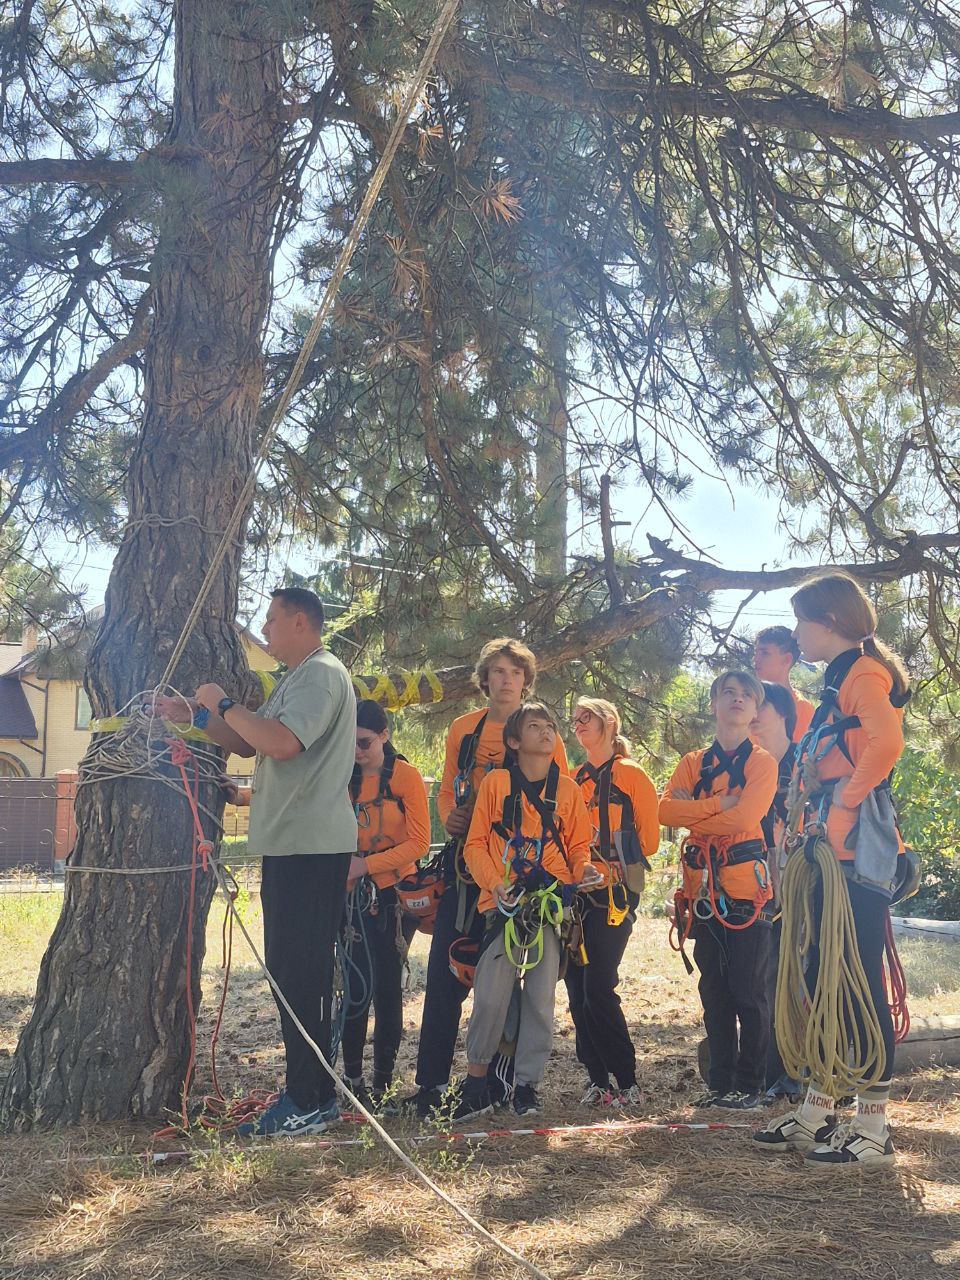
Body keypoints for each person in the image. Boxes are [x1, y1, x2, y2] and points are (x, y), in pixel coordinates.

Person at [154, 587, 357, 1137]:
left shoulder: (321, 673)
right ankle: (307, 1092)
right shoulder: (297, 678)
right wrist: (194, 716)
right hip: (293, 844)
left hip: (311, 847)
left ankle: (310, 1100)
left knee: (303, 973)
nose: (264, 630)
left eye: (270, 620)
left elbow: (283, 743)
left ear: (299, 621)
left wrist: (221, 701)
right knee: (291, 972)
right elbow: (250, 742)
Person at [753, 573, 909, 1167]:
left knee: (859, 982)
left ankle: (873, 1125)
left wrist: (845, 801)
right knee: (822, 977)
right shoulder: (839, 681)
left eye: (802, 623)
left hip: (856, 857)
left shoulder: (865, 675)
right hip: (827, 855)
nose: (797, 634)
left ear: (831, 622)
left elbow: (886, 743)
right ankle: (820, 1110)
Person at [403, 638, 568, 1117]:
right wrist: (452, 815)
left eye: (515, 672)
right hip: (465, 865)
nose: (505, 679)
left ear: (526, 681)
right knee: (445, 974)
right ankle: (432, 1084)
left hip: (520, 875)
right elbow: (447, 787)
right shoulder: (464, 730)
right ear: (484, 679)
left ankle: (499, 1083)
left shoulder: (542, 732)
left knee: (509, 977)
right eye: (496, 671)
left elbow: (559, 801)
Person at [451, 702, 597, 1120]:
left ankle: (527, 1086)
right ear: (514, 741)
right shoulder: (496, 784)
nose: (547, 732)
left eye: (550, 725)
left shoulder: (567, 791)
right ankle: (477, 1082)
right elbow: (476, 843)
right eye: (535, 726)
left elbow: (579, 847)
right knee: (492, 997)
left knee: (539, 999)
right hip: (503, 905)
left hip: (548, 907)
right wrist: (497, 886)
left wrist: (581, 872)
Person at [660, 671, 777, 1110]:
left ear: (755, 710)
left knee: (749, 993)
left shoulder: (761, 763)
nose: (738, 700)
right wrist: (715, 806)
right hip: (703, 897)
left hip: (747, 895)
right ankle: (720, 1083)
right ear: (714, 703)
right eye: (729, 692)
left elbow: (746, 819)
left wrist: (697, 817)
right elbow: (664, 812)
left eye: (747, 695)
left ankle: (751, 1086)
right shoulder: (694, 763)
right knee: (715, 993)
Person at [567, 697, 660, 1107]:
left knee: (598, 985)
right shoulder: (573, 779)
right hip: (577, 898)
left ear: (609, 722)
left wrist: (614, 863)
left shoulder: (631, 776)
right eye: (573, 720)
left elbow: (652, 841)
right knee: (576, 988)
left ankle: (627, 1079)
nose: (578, 725)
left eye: (585, 717)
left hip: (614, 896)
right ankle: (597, 1078)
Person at [340, 700, 430, 1110]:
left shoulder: (406, 777)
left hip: (394, 896)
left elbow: (419, 843)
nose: (357, 752)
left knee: (387, 987)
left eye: (364, 743)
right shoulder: (346, 777)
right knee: (356, 984)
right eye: (350, 743)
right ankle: (352, 1078)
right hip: (355, 894)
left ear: (385, 735)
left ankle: (383, 1083)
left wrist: (367, 864)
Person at [751, 681, 801, 1101]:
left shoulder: (807, 762)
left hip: (805, 888)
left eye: (760, 704)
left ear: (782, 712)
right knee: (766, 983)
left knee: (803, 982)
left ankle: (809, 1074)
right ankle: (774, 1074)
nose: (751, 713)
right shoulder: (750, 766)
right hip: (760, 893)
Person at [753, 625, 816, 743]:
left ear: (787, 659)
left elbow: (798, 758)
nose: (756, 658)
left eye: (765, 653)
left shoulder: (802, 708)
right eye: (755, 652)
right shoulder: (747, 701)